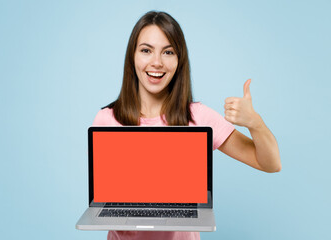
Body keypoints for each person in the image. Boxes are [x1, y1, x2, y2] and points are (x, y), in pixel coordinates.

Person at [93, 11, 281, 240]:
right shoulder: (106, 120)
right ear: (132, 57)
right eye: (146, 50)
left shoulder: (199, 118)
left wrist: (255, 123)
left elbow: (270, 164)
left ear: (179, 59)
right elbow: (106, 197)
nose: (156, 62)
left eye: (168, 52)